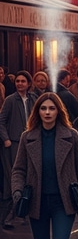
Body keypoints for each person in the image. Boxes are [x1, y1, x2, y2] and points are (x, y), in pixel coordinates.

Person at [11, 93, 78, 239]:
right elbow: (18, 170)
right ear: (37, 111)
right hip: (36, 202)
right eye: (43, 108)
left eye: (51, 108)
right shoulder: (27, 137)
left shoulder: (71, 136)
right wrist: (17, 193)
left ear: (58, 111)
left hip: (63, 203)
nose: (47, 112)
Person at [0, 70, 35, 229]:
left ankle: (23, 212)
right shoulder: (10, 100)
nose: (20, 83)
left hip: (30, 143)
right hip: (13, 144)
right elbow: (1, 121)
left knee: (30, 176)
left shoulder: (33, 99)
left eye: (23, 81)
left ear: (28, 83)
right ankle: (7, 217)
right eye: (18, 81)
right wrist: (6, 139)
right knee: (12, 177)